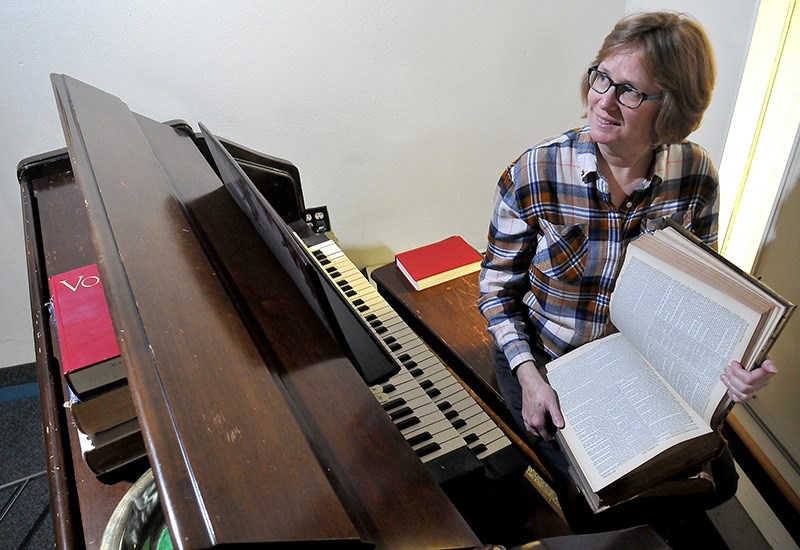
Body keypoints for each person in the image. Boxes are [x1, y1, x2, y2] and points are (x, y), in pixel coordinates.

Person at [478, 10, 777, 533]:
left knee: (718, 482)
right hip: (549, 361)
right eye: (602, 78)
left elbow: (701, 294)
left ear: (673, 108)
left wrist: (736, 363)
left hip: (637, 368)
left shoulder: (696, 175)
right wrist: (530, 377)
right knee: (601, 496)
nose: (604, 101)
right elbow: (497, 291)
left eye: (631, 91)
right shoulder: (536, 171)